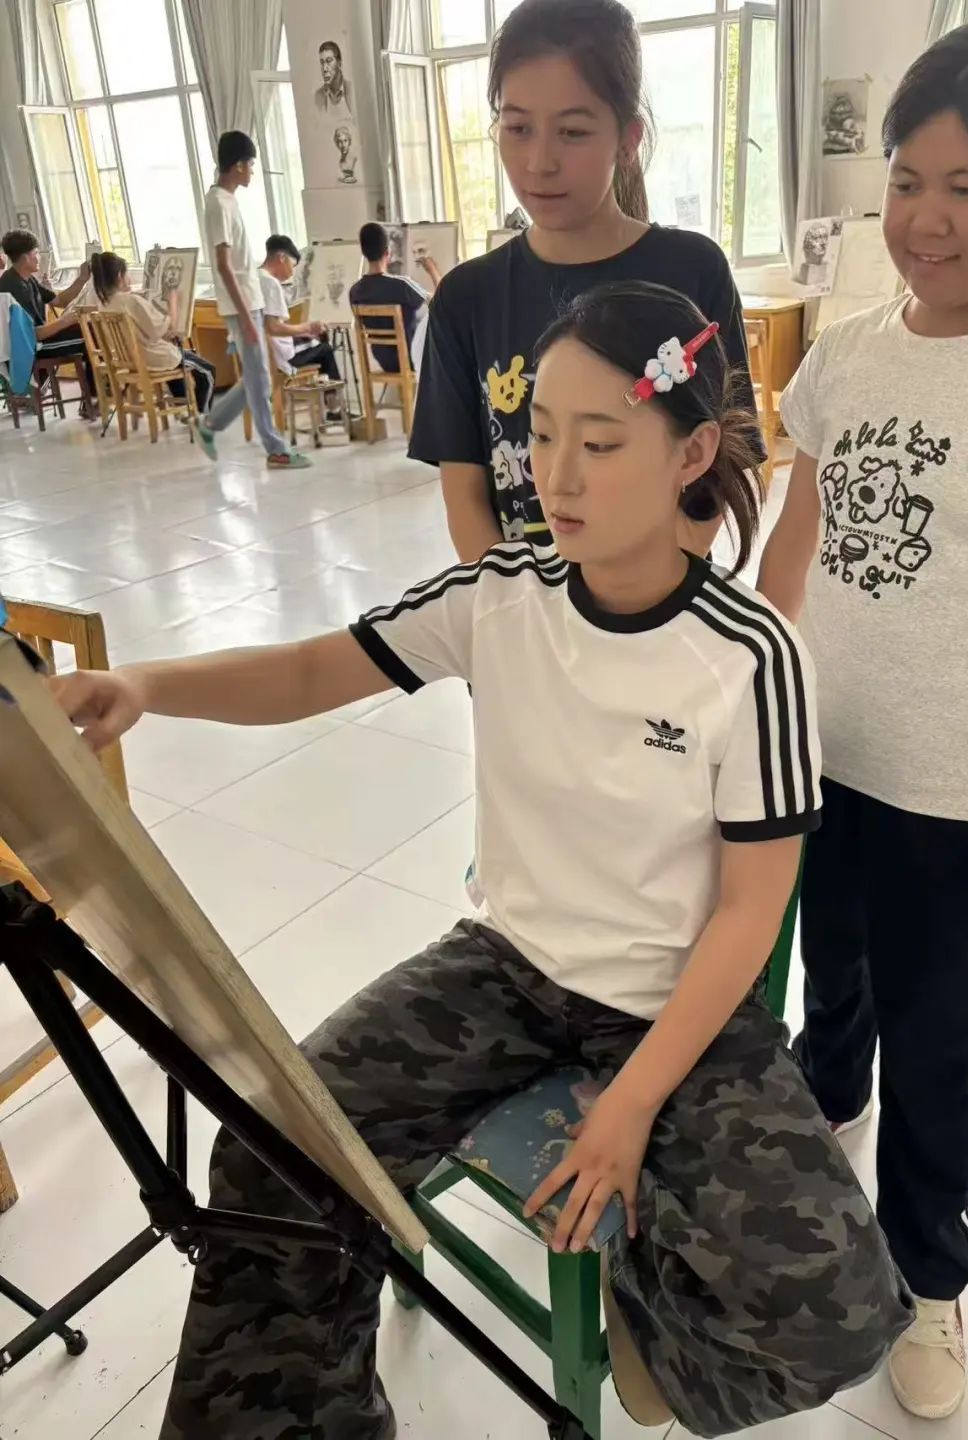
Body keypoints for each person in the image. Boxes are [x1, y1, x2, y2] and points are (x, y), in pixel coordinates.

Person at [53, 280, 912, 1440]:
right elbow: (311, 670)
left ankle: (650, 1320)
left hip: (674, 1010)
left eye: (600, 443)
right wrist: (145, 686)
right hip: (504, 971)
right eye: (541, 436)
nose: (558, 477)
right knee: (274, 1153)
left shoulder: (754, 658)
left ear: (691, 453)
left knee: (836, 1311)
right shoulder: (503, 594)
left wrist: (631, 1106)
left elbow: (749, 916)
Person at [757, 15, 968, 1422]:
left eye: (967, 186)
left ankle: (925, 1272)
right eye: (904, 181)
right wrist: (748, 700)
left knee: (938, 1047)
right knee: (831, 974)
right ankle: (826, 1101)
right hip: (821, 757)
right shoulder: (846, 353)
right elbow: (794, 542)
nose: (924, 219)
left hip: (958, 797)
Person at [409, 0, 757, 562]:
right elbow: (465, 495)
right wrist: (519, 603)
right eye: (517, 128)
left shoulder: (693, 270)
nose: (539, 162)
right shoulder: (467, 298)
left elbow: (723, 462)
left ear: (628, 139)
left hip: (666, 593)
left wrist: (647, 591)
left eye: (572, 131)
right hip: (523, 603)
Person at [198, 131, 311, 470]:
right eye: (250, 164)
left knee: (256, 376)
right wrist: (247, 317)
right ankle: (275, 449)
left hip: (251, 301)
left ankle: (211, 424)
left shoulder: (228, 200)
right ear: (237, 165)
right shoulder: (218, 203)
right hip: (242, 306)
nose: (251, 171)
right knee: (260, 376)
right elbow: (223, 265)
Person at [81, 251, 216, 414]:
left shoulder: (104, 305)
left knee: (179, 358)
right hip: (151, 357)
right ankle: (203, 415)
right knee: (208, 371)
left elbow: (145, 331)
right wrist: (173, 303)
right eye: (128, 274)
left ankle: (183, 409)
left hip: (129, 359)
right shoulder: (131, 300)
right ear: (119, 276)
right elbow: (158, 330)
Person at [349, 221, 440, 373]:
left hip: (384, 362)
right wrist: (433, 271)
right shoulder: (402, 285)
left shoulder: (355, 292)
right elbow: (440, 302)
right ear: (388, 253)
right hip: (412, 359)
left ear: (364, 254)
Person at [0, 229, 92, 372]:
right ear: (25, 257)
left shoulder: (28, 279)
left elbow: (60, 301)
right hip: (29, 349)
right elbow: (31, 334)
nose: (39, 257)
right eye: (36, 253)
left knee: (90, 328)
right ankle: (98, 384)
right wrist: (64, 321)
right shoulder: (12, 287)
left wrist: (82, 279)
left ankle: (99, 382)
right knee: (90, 337)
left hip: (39, 342)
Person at [259, 234, 341, 382]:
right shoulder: (271, 284)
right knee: (325, 349)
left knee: (311, 340)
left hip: (261, 352)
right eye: (292, 265)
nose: (292, 272)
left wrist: (302, 332)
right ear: (281, 258)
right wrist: (308, 327)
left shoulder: (255, 277)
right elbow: (274, 328)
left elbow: (267, 326)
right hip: (280, 358)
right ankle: (333, 395)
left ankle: (328, 393)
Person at [315, 39, 353, 115]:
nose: (324, 68)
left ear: (339, 63)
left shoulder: (352, 89)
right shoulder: (318, 96)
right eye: (322, 63)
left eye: (329, 61)